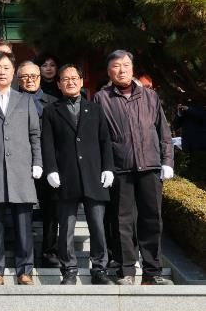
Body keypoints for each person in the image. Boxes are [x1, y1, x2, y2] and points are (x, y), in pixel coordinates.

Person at [93, 50, 174, 285]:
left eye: (126, 65)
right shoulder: (101, 98)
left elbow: (163, 132)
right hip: (120, 168)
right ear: (109, 71)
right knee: (122, 221)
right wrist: (105, 166)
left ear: (132, 68)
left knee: (152, 219)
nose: (122, 70)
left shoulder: (150, 96)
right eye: (116, 66)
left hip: (150, 165)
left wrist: (167, 162)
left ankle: (152, 271)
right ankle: (126, 270)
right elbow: (99, 137)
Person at [41, 64, 115, 286]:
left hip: (93, 175)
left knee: (98, 226)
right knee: (66, 227)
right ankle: (69, 269)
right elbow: (47, 144)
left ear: (81, 82)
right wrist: (51, 169)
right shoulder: (51, 110)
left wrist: (108, 168)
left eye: (74, 78)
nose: (70, 82)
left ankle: (99, 269)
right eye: (65, 79)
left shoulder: (95, 109)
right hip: (65, 176)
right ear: (59, 84)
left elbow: (105, 141)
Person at [0, 51, 41, 285]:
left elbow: (34, 134)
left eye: (6, 68)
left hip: (21, 170)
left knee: (23, 223)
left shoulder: (25, 100)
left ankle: (25, 271)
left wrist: (37, 162)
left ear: (13, 73)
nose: (2, 72)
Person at [16, 60, 59, 268]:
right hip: (20, 163)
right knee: (22, 211)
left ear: (40, 78)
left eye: (33, 76)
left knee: (51, 209)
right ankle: (24, 255)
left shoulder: (53, 102)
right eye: (25, 76)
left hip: (48, 163)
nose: (30, 80)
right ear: (18, 80)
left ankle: (49, 252)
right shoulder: (12, 101)